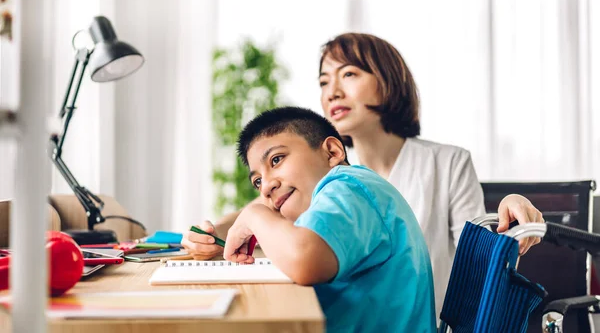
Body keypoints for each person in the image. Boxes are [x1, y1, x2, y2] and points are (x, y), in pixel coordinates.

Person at [182, 32, 544, 315]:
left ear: (388, 81)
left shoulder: (443, 162)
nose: (332, 92)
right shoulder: (321, 173)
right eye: (324, 82)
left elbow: (479, 252)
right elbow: (259, 210)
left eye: (349, 74)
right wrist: (208, 235)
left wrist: (510, 207)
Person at [224, 106, 436, 332]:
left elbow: (304, 260)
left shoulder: (347, 187)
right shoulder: (348, 192)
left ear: (332, 152)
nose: (266, 187)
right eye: (257, 181)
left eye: (276, 160)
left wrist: (254, 214)